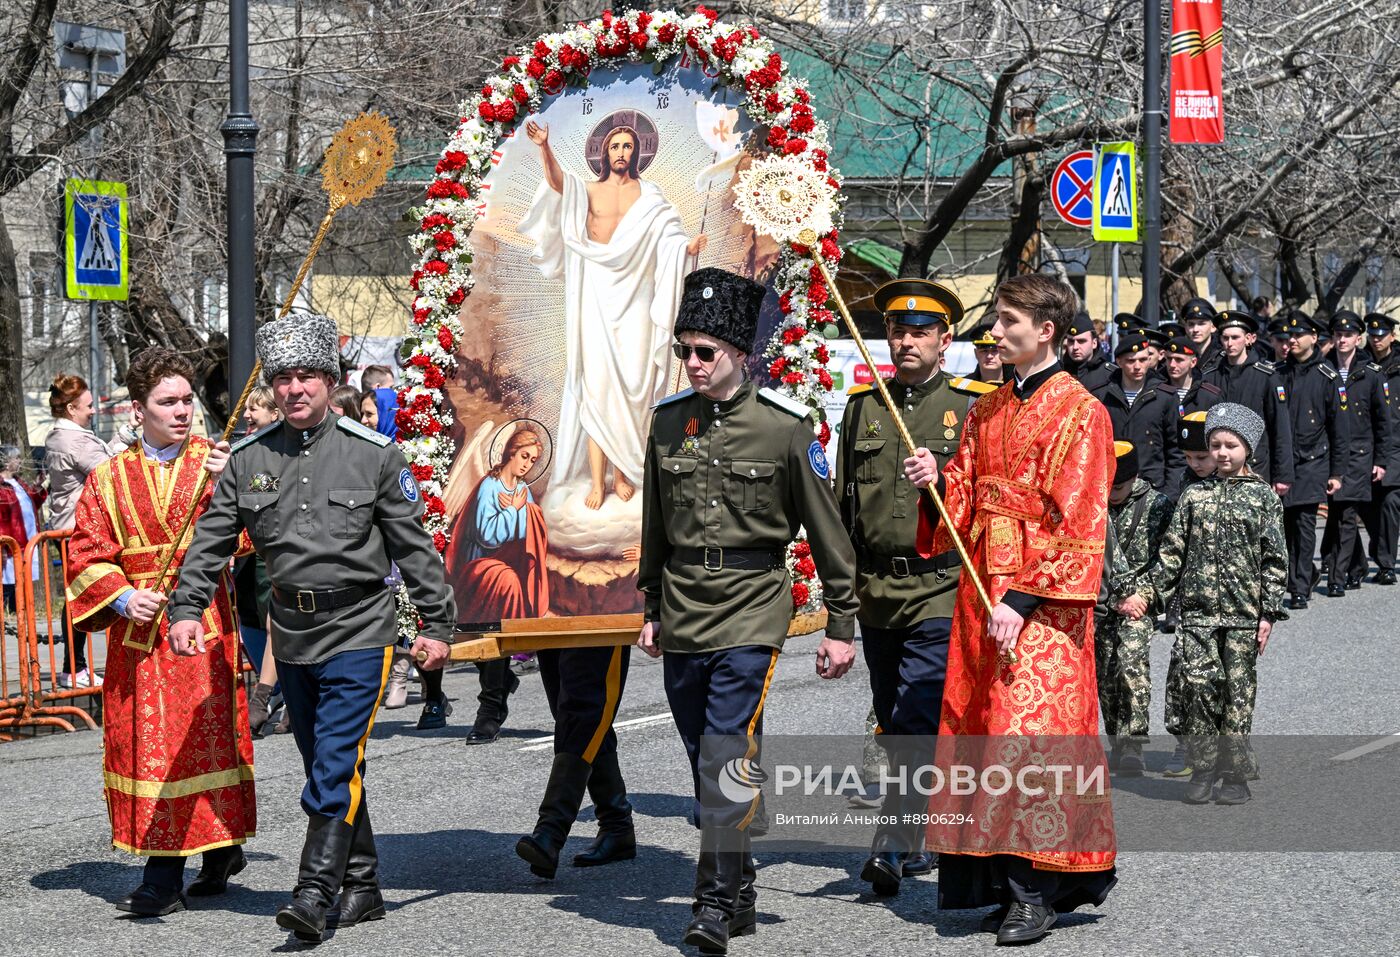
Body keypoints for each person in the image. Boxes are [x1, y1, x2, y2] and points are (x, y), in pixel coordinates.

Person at [167, 313, 456, 943]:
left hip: (360, 626)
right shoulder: (248, 460)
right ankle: (364, 884)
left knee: (332, 761)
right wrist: (186, 609)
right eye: (284, 380)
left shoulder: (374, 454)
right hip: (291, 634)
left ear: (329, 380)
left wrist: (437, 624)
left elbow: (414, 548)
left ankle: (313, 890)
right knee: (332, 764)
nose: (296, 390)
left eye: (308, 377)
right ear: (272, 388)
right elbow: (210, 544)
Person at [637, 267, 859, 955]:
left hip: (752, 610)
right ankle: (740, 887)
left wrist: (842, 625)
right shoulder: (669, 423)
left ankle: (709, 903)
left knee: (724, 750)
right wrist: (650, 603)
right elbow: (655, 524)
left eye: (706, 351)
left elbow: (827, 532)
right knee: (702, 752)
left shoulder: (785, 428)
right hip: (684, 608)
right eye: (686, 351)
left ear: (739, 352)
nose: (694, 364)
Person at [905, 274, 1117, 946]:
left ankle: (1037, 891)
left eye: (1006, 321)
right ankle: (994, 880)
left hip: (1041, 606)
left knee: (1031, 742)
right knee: (983, 736)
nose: (994, 333)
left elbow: (1080, 518)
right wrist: (936, 483)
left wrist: (1022, 599)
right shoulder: (986, 409)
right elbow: (963, 496)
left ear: (1045, 329)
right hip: (979, 595)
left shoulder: (1083, 412)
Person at [64, 348, 253, 917]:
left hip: (203, 627)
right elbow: (85, 553)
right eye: (166, 402)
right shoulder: (109, 477)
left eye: (187, 401)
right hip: (138, 636)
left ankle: (210, 851)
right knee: (152, 748)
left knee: (204, 742)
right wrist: (123, 595)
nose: (181, 411)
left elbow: (248, 540)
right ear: (137, 410)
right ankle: (166, 867)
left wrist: (239, 487)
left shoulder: (217, 462)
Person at [835, 278, 991, 897]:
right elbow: (843, 511)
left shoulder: (972, 407)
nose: (904, 341)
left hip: (940, 587)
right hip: (877, 590)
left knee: (916, 714)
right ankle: (919, 832)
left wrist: (946, 477)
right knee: (892, 718)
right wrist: (840, 612)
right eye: (896, 331)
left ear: (944, 339)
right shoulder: (864, 410)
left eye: (919, 331)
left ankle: (893, 842)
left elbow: (990, 501)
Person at [522, 117, 706, 517]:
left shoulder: (650, 196)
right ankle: (596, 479)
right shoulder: (587, 191)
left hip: (637, 299)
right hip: (597, 297)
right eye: (615, 147)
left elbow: (670, 239)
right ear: (604, 154)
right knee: (599, 388)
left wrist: (686, 248)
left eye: (627, 147)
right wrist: (544, 147)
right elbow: (557, 184)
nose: (621, 153)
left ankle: (623, 474)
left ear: (636, 153)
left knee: (634, 388)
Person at [1143, 404, 1287, 805]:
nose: (1222, 453)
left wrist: (1268, 613)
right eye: (1216, 445)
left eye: (1231, 445)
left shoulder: (1263, 498)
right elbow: (1172, 553)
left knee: (1237, 697)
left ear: (1248, 448)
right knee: (1199, 692)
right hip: (1198, 615)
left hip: (1242, 617)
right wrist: (1149, 595)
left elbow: (1275, 558)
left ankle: (1235, 776)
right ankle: (1204, 768)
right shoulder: (1193, 495)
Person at [443, 430, 552, 742]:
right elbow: (488, 536)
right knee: (500, 587)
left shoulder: (523, 492)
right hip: (478, 566)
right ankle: (496, 692)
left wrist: (524, 510)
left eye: (532, 460)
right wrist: (515, 512)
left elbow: (528, 535)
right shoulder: (490, 487)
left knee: (507, 588)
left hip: (510, 567)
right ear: (510, 452)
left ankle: (493, 700)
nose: (527, 465)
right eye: (523, 456)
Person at [42, 372, 138, 687]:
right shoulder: (73, 440)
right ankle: (74, 667)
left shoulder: (66, 437)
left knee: (80, 596)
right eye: (88, 405)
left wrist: (128, 431)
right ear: (72, 409)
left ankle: (76, 666)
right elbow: (109, 470)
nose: (93, 410)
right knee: (80, 597)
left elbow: (102, 461)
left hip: (73, 528)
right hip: (76, 530)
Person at [1095, 442, 1171, 775]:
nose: (1113, 494)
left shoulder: (1158, 505)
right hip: (1101, 604)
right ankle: (1117, 739)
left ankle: (1134, 745)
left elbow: (1169, 560)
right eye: (1108, 486)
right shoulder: (1091, 502)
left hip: (1139, 605)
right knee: (1105, 675)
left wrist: (1147, 596)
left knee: (1131, 665)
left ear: (1135, 477)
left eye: (1120, 487)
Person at [1161, 410, 1218, 779]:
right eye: (1189, 458)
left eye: (1203, 457)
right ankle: (1186, 746)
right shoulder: (1182, 487)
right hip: (1188, 599)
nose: (1195, 465)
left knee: (1222, 679)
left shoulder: (1243, 486)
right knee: (1182, 674)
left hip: (1231, 601)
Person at [1279, 312, 1347, 609]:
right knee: (1284, 525)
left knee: (1305, 524)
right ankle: (1301, 574)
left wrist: (1337, 472)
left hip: (1312, 460)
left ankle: (1299, 587)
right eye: (1288, 336)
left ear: (1313, 338)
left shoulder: (1327, 376)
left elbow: (1339, 429)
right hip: (1283, 460)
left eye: (1298, 335)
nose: (1291, 341)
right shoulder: (1278, 372)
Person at [1320, 311, 1392, 594]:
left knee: (1347, 514)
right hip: (1329, 454)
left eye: (1348, 335)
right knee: (1338, 512)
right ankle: (1358, 565)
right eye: (1337, 335)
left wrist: (1381, 460)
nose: (1341, 340)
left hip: (1361, 453)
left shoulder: (1371, 374)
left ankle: (1336, 579)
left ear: (1358, 338)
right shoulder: (1324, 370)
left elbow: (1383, 421)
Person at [238, 386, 287, 736]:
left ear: (275, 413)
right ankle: (277, 691)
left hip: (271, 555)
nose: (247, 416)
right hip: (244, 558)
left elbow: (262, 499)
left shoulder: (275, 452)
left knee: (275, 625)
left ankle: (264, 696)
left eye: (256, 408)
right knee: (251, 624)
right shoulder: (245, 451)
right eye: (247, 409)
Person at [1200, 310, 1294, 487]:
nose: (1229, 343)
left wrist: (1283, 475)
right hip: (1217, 466)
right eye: (1225, 338)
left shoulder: (1266, 377)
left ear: (1250, 339)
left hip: (1255, 467)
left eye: (1235, 337)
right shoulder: (1210, 375)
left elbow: (1280, 428)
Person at [1090, 335, 1182, 491]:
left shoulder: (1165, 397)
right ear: (1119, 362)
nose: (1138, 366)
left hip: (1153, 487)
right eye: (1131, 361)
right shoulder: (1102, 395)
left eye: (1143, 360)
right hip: (1112, 486)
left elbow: (1176, 451)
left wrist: (1170, 494)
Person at [1156, 337, 1223, 496]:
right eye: (1169, 359)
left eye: (1179, 360)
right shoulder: (1156, 393)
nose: (1172, 365)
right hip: (1165, 477)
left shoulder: (1209, 396)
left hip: (1203, 476)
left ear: (1193, 362)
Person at [1363, 313, 1400, 583]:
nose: (1377, 340)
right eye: (1373, 335)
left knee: (1390, 502)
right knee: (1368, 506)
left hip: (1396, 445)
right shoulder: (1361, 364)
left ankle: (1386, 564)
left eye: (1382, 335)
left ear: (1392, 336)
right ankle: (1376, 553)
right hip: (1366, 445)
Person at [0, 446, 45, 612]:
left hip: (27, 540)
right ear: (6, 462)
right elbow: (1, 517)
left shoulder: (18, 482)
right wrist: (4, 545)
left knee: (23, 580)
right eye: (16, 458)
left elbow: (31, 504)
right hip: (12, 543)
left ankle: (22, 614)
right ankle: (10, 615)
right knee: (10, 582)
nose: (19, 461)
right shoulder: (2, 485)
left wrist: (38, 487)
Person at [1062, 311, 1114, 393]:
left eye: (1081, 341)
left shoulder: (1110, 375)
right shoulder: (1059, 372)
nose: (1075, 347)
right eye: (1071, 341)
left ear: (1094, 343)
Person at [1181, 297, 1220, 368]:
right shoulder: (1179, 356)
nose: (1195, 329)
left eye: (1201, 324)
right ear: (1185, 327)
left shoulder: (1221, 359)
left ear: (1213, 327)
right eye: (1191, 324)